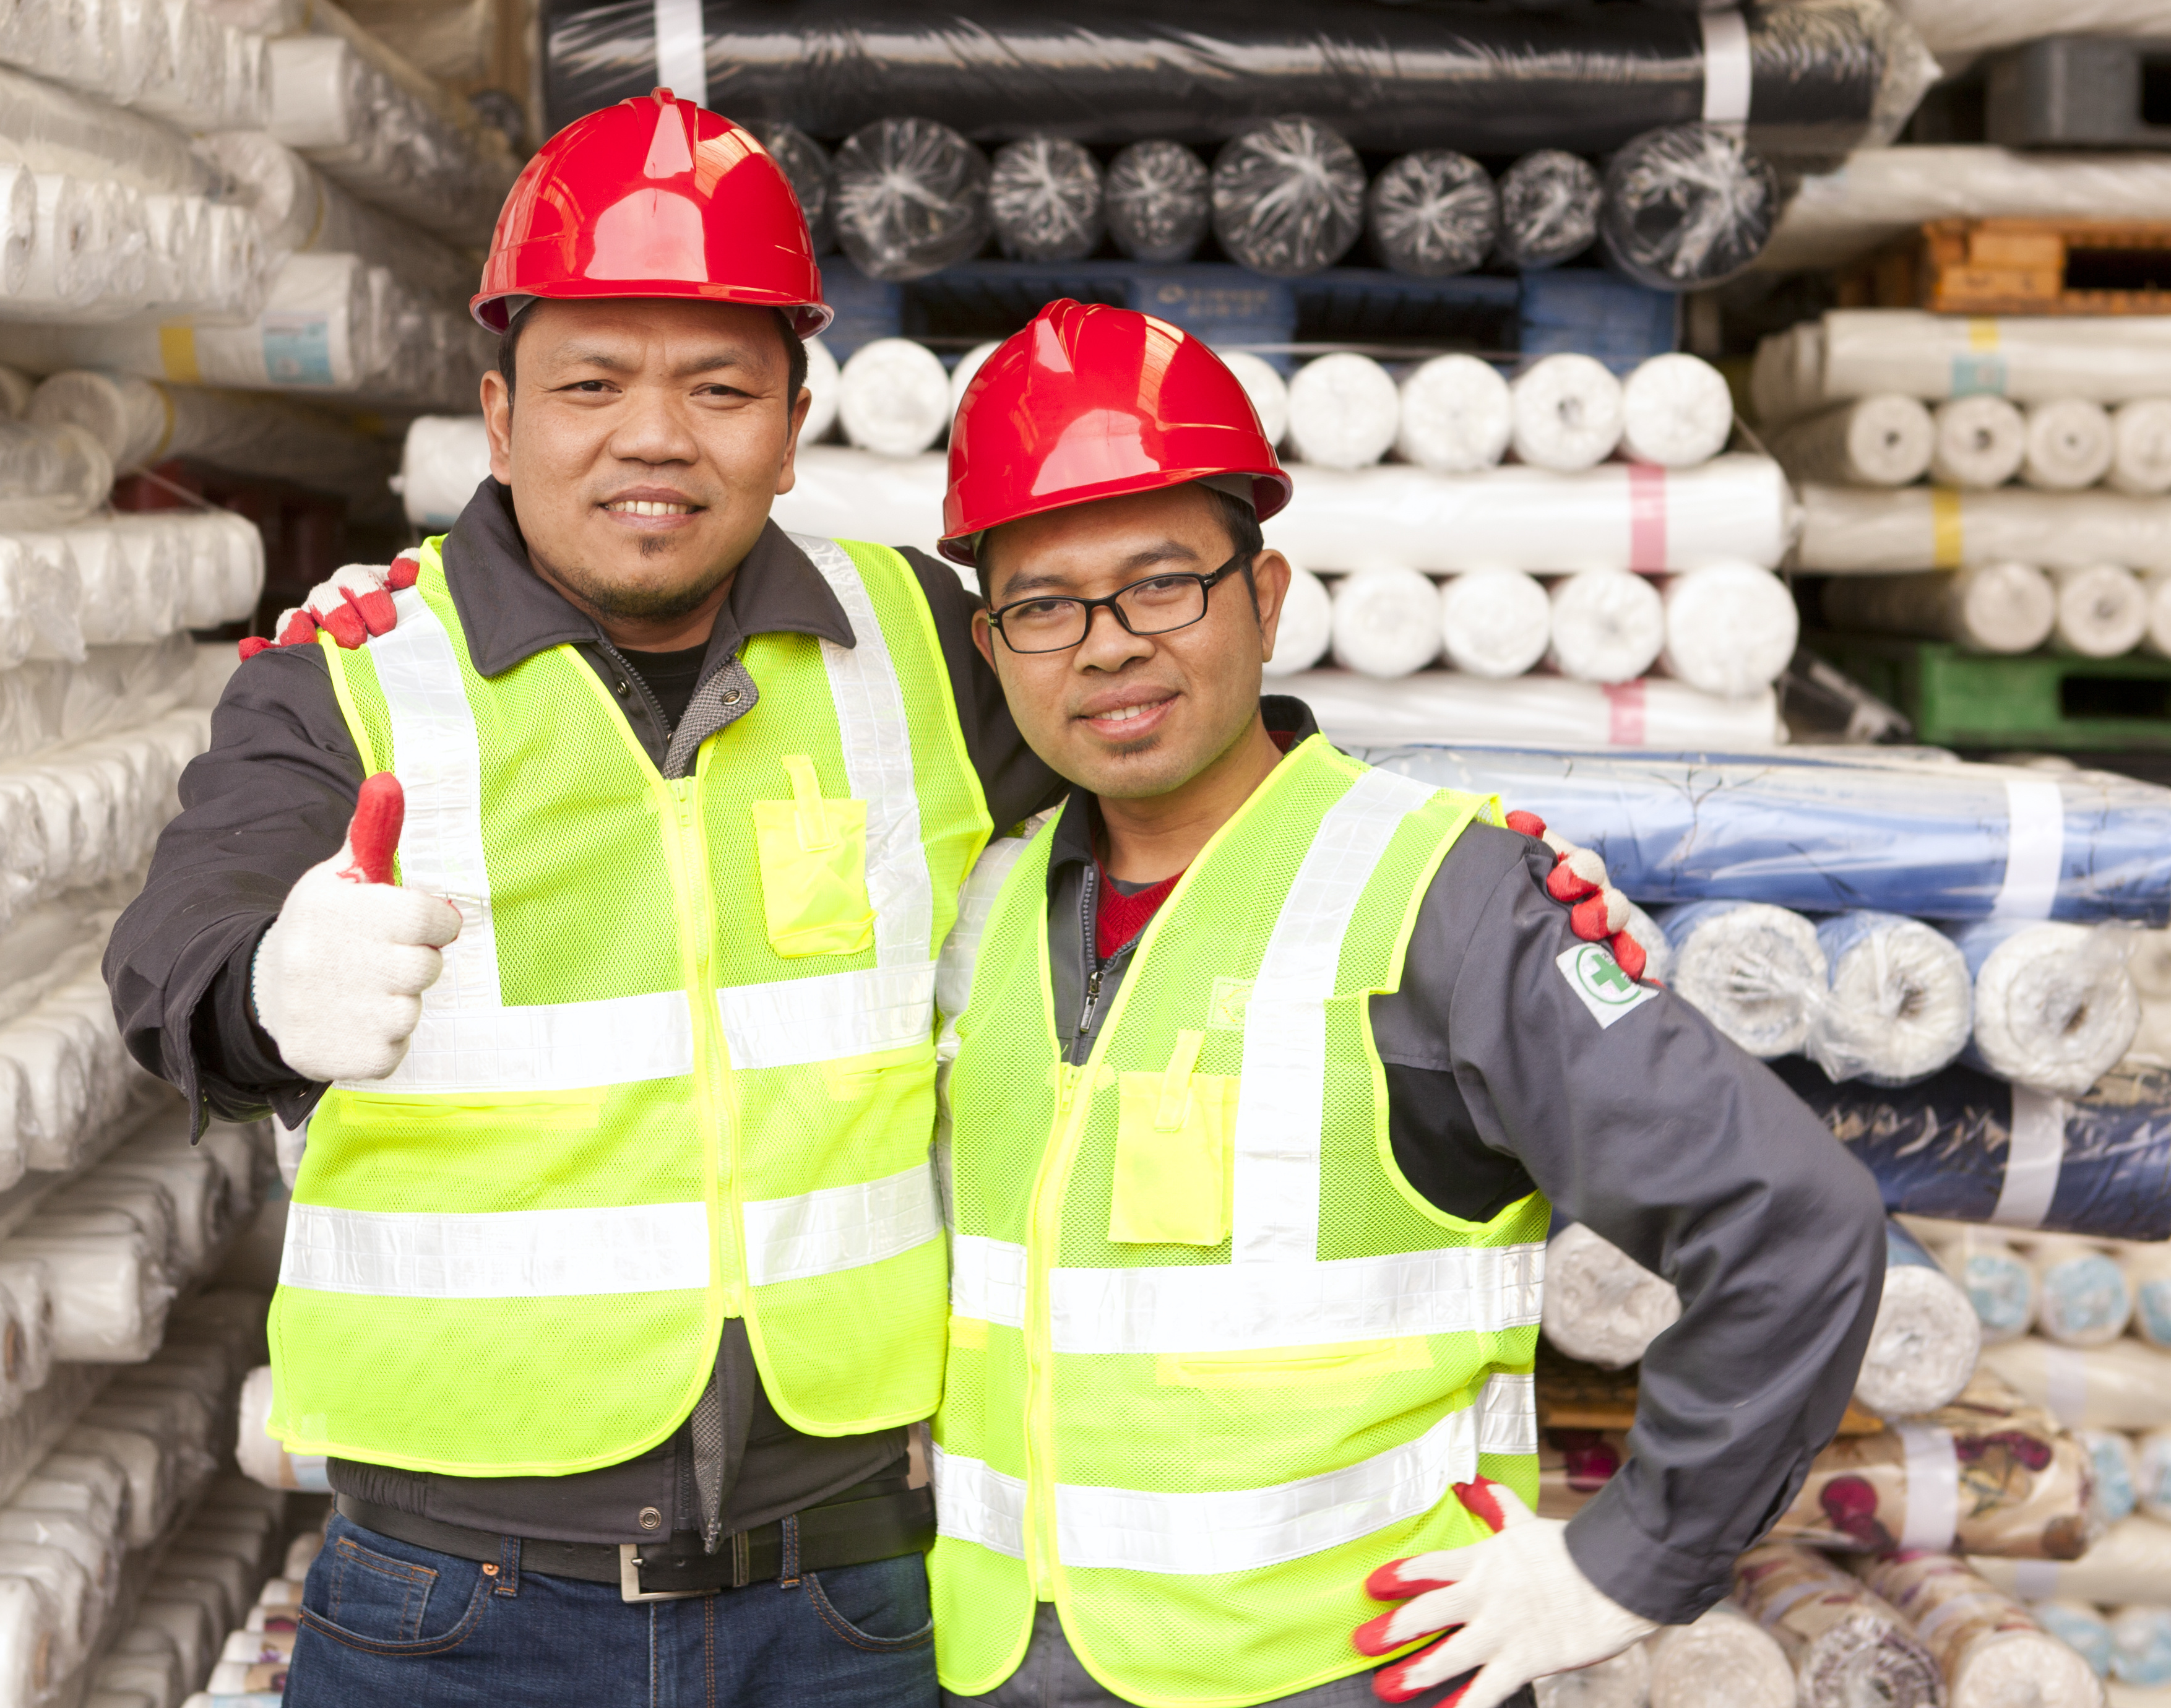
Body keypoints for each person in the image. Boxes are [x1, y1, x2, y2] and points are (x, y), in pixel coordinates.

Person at [104, 89, 1057, 1704]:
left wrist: (1480, 882)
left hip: (844, 1593)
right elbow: (169, 967)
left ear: (795, 412)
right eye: (589, 385)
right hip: (455, 1614)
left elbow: (1169, 795)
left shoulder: (914, 647)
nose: (652, 437)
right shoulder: (353, 680)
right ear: (498, 408)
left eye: (716, 387)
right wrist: (273, 985)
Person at [917, 299, 1888, 1708]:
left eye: (1163, 584)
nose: (1109, 643)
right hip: (1001, 1667)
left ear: (1266, 595)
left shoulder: (1445, 896)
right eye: (1046, 605)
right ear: (994, 644)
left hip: (1340, 1674)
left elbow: (1794, 1226)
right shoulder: (988, 908)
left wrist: (1623, 1564)